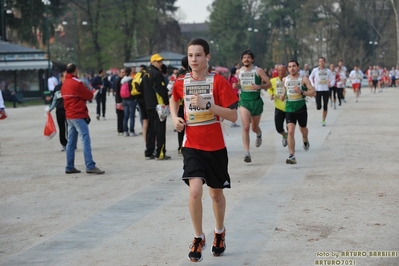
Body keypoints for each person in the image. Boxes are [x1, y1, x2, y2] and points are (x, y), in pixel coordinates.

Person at [169, 38, 238, 263]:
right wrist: (175, 117)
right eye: (190, 56)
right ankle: (198, 237)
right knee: (195, 191)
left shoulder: (217, 81)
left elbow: (233, 115)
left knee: (216, 194)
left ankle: (219, 232)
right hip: (192, 145)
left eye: (198, 55)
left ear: (207, 57)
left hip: (215, 146)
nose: (194, 60)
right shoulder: (182, 81)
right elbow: (174, 99)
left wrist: (210, 106)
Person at [61, 63, 104, 175]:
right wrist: (94, 92)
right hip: (78, 114)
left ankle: (69, 166)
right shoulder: (77, 83)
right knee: (85, 140)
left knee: (71, 142)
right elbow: (89, 96)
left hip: (69, 115)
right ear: (76, 71)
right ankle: (90, 165)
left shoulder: (65, 83)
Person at [236, 50, 271, 163]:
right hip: (244, 101)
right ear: (242, 60)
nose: (246, 59)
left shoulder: (258, 70)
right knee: (246, 126)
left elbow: (269, 84)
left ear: (252, 60)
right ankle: (247, 153)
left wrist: (259, 86)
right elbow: (238, 84)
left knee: (254, 127)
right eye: (244, 57)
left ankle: (259, 134)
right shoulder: (238, 72)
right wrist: (235, 85)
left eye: (248, 57)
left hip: (256, 101)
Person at [280, 60, 316, 164]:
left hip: (301, 108)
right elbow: (284, 90)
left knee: (303, 129)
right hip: (289, 108)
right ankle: (292, 155)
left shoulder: (303, 79)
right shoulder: (285, 79)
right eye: (290, 66)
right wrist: (282, 95)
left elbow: (313, 92)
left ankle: (305, 139)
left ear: (298, 67)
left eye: (294, 66)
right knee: (290, 131)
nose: (292, 68)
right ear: (288, 69)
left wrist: (301, 92)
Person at [141, 54, 170, 160]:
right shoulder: (157, 74)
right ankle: (160, 153)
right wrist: (167, 103)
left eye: (161, 61)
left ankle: (149, 152)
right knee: (160, 129)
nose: (160, 63)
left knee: (150, 129)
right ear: (153, 62)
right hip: (159, 105)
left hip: (148, 105)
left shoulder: (145, 73)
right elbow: (161, 90)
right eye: (158, 62)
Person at [309, 57, 334, 126]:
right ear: (318, 62)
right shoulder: (315, 70)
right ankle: (318, 103)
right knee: (319, 107)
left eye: (322, 61)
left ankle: (323, 120)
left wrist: (331, 84)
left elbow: (333, 79)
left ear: (324, 62)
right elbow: (310, 77)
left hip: (326, 90)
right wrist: (312, 84)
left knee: (325, 106)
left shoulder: (328, 71)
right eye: (320, 61)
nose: (321, 63)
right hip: (318, 90)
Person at [268, 64, 288, 147]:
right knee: (278, 128)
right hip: (278, 107)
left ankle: (290, 141)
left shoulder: (289, 79)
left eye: (283, 70)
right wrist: (271, 94)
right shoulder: (273, 81)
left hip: (289, 107)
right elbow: (270, 88)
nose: (281, 72)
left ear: (286, 71)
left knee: (290, 127)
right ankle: (284, 135)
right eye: (279, 70)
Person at [48, 72, 68, 151]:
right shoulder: (57, 88)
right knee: (62, 128)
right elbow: (54, 100)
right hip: (59, 110)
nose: (66, 79)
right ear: (61, 78)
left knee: (70, 128)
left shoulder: (70, 86)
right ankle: (64, 144)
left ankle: (71, 143)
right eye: (65, 77)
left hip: (69, 110)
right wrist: (51, 108)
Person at [175, 56, 189, 154]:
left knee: (181, 125)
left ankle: (180, 146)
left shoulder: (179, 75)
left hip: (180, 103)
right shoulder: (189, 74)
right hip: (187, 103)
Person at [121, 67, 139, 136]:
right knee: (132, 116)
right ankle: (132, 131)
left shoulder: (122, 81)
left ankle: (125, 131)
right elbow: (133, 90)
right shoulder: (131, 80)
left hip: (124, 99)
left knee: (125, 116)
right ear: (130, 72)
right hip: (131, 99)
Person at [114, 68, 125, 136]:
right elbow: (117, 92)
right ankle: (120, 129)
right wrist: (119, 101)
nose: (123, 74)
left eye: (124, 72)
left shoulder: (123, 80)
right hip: (119, 101)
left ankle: (123, 128)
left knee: (123, 115)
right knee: (120, 115)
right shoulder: (118, 81)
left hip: (123, 100)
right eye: (122, 72)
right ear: (119, 73)